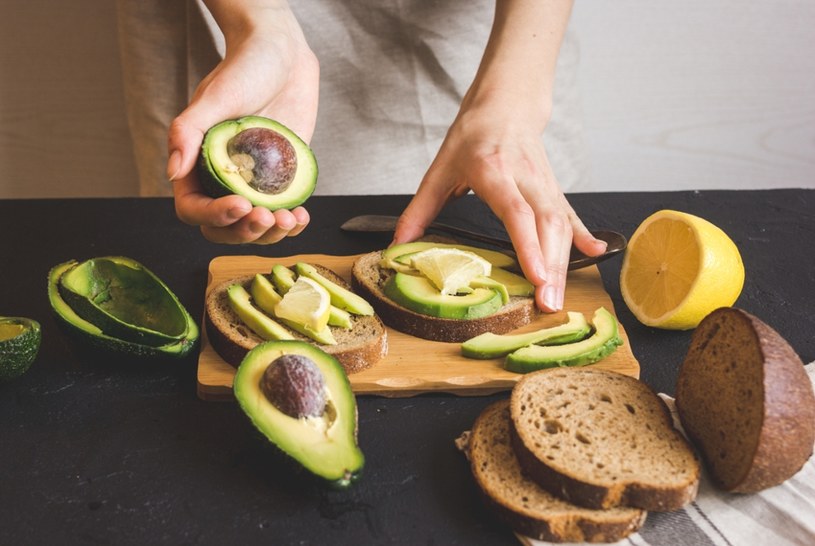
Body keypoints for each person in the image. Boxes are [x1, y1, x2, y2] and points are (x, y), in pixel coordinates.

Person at [117, 0, 607, 313]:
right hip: (232, 28)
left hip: (506, 36)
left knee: (524, 220)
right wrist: (256, 24)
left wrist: (513, 100)